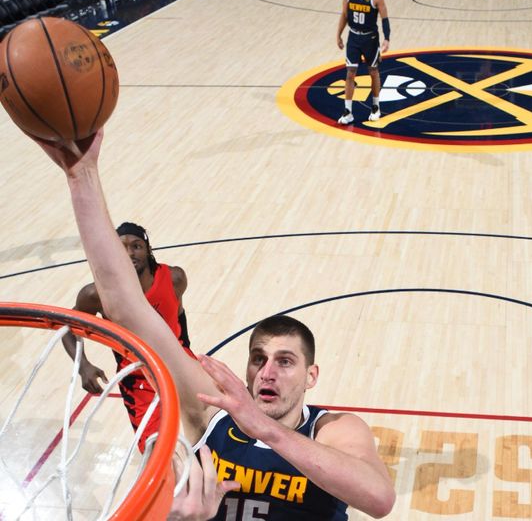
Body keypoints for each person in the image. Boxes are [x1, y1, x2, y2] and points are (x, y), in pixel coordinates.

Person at [36, 131, 396, 520]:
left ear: (312, 376)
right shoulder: (214, 414)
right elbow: (124, 307)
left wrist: (267, 430)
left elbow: (379, 500)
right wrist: (81, 175)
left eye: (285, 361)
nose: (267, 372)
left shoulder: (334, 429)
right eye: (258, 359)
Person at [61, 221, 194, 452]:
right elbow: (67, 330)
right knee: (156, 450)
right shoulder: (96, 294)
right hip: (138, 377)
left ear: (147, 250)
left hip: (180, 363)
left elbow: (179, 315)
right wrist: (83, 367)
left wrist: (188, 354)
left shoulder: (174, 278)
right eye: (121, 247)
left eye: (136, 246)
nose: (129, 253)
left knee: (218, 420)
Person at [335, 0, 391, 126]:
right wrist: (338, 34)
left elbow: (385, 19)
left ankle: (375, 107)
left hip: (370, 39)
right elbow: (345, 15)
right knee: (350, 73)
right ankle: (348, 111)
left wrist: (387, 38)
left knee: (373, 71)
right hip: (353, 37)